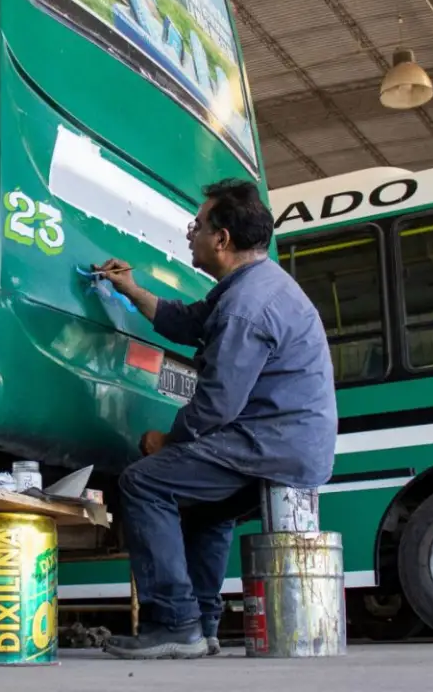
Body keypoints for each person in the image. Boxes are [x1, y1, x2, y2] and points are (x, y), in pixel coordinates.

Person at [95, 178, 337, 660]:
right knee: (207, 507)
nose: (190, 234)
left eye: (197, 226)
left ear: (222, 239)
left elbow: (216, 405)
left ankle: (173, 622)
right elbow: (185, 322)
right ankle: (202, 625)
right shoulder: (250, 286)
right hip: (286, 443)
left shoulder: (247, 306)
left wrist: (168, 440)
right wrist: (131, 290)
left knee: (144, 482)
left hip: (271, 446)